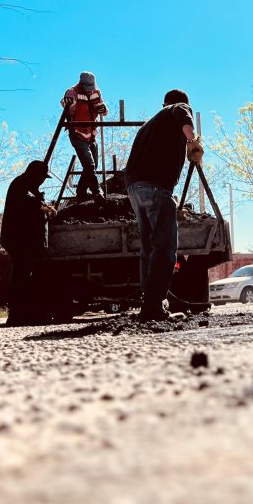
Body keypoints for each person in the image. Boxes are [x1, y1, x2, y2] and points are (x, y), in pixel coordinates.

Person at [124, 89, 204, 322]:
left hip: (134, 189)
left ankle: (148, 303)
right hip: (156, 188)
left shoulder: (147, 127)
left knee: (149, 249)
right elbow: (184, 117)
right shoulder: (177, 108)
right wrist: (192, 142)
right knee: (165, 249)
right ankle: (153, 306)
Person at [0, 160, 56, 326]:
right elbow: (26, 200)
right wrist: (43, 207)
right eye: (42, 177)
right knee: (22, 275)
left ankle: (27, 312)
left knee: (25, 275)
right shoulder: (21, 184)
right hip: (19, 240)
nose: (43, 180)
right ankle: (17, 315)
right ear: (35, 174)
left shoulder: (27, 186)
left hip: (24, 241)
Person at [60, 71, 109, 202]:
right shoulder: (72, 92)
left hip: (92, 134)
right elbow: (66, 107)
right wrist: (69, 103)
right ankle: (97, 192)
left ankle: (81, 192)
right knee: (89, 165)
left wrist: (103, 109)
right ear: (81, 83)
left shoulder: (96, 93)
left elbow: (103, 109)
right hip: (77, 133)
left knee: (94, 165)